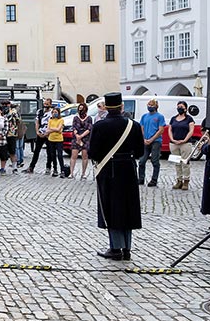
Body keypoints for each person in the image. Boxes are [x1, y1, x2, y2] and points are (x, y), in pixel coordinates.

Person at [88, 92, 144, 260]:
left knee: (112, 208)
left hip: (109, 170)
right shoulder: (133, 125)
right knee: (128, 207)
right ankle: (126, 248)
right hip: (128, 169)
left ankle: (115, 248)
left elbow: (93, 152)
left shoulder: (100, 126)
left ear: (106, 107)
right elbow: (140, 152)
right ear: (121, 107)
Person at [137, 99, 165, 187]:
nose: (149, 106)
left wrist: (152, 139)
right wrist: (144, 138)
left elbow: (161, 130)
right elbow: (142, 127)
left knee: (155, 160)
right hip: (145, 141)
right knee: (142, 161)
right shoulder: (144, 116)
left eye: (151, 105)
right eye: (148, 104)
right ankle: (141, 178)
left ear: (156, 106)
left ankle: (154, 179)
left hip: (156, 141)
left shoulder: (160, 117)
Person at [169, 101, 195, 190]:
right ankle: (179, 180)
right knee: (177, 163)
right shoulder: (173, 118)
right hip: (174, 143)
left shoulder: (189, 119)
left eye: (181, 106)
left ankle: (186, 180)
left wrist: (184, 140)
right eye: (178, 106)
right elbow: (170, 129)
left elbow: (191, 131)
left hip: (185, 144)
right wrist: (172, 139)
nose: (179, 108)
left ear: (185, 108)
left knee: (185, 162)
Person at [25, 98, 54, 174]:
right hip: (40, 132)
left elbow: (53, 123)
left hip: (48, 134)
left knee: (49, 152)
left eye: (47, 104)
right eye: (45, 104)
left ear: (50, 104)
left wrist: (47, 133)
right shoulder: (40, 112)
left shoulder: (52, 113)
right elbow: (37, 122)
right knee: (36, 151)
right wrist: (37, 132)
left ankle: (48, 167)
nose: (45, 105)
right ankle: (31, 167)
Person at [70, 103, 93, 180]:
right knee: (74, 155)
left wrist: (81, 136)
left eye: (82, 108)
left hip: (85, 138)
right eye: (79, 108)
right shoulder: (75, 118)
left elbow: (89, 129)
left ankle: (83, 173)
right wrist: (77, 136)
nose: (81, 110)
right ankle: (71, 172)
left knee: (85, 156)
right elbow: (74, 127)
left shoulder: (89, 118)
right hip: (76, 138)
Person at [46, 106, 66, 177]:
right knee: (53, 155)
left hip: (59, 140)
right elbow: (47, 130)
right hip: (51, 139)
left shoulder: (61, 120)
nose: (54, 114)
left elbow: (59, 129)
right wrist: (54, 129)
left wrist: (51, 129)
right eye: (53, 112)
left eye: (56, 112)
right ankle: (55, 169)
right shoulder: (50, 120)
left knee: (60, 155)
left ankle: (62, 170)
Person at [3, 102, 20, 174]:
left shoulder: (13, 112)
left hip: (11, 133)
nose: (4, 106)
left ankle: (14, 167)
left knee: (12, 151)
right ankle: (2, 167)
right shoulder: (3, 112)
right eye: (3, 105)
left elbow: (18, 121)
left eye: (6, 105)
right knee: (4, 152)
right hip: (4, 133)